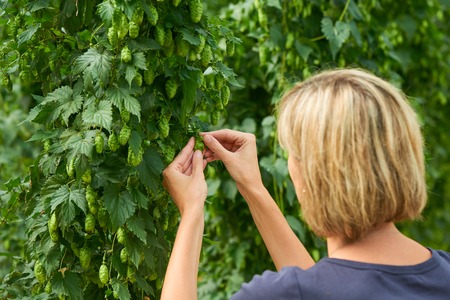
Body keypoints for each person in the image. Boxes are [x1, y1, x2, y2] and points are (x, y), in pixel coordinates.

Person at [160, 68, 450, 299]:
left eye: (292, 154)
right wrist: (252, 187)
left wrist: (192, 211)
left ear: (315, 174)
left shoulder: (281, 294)